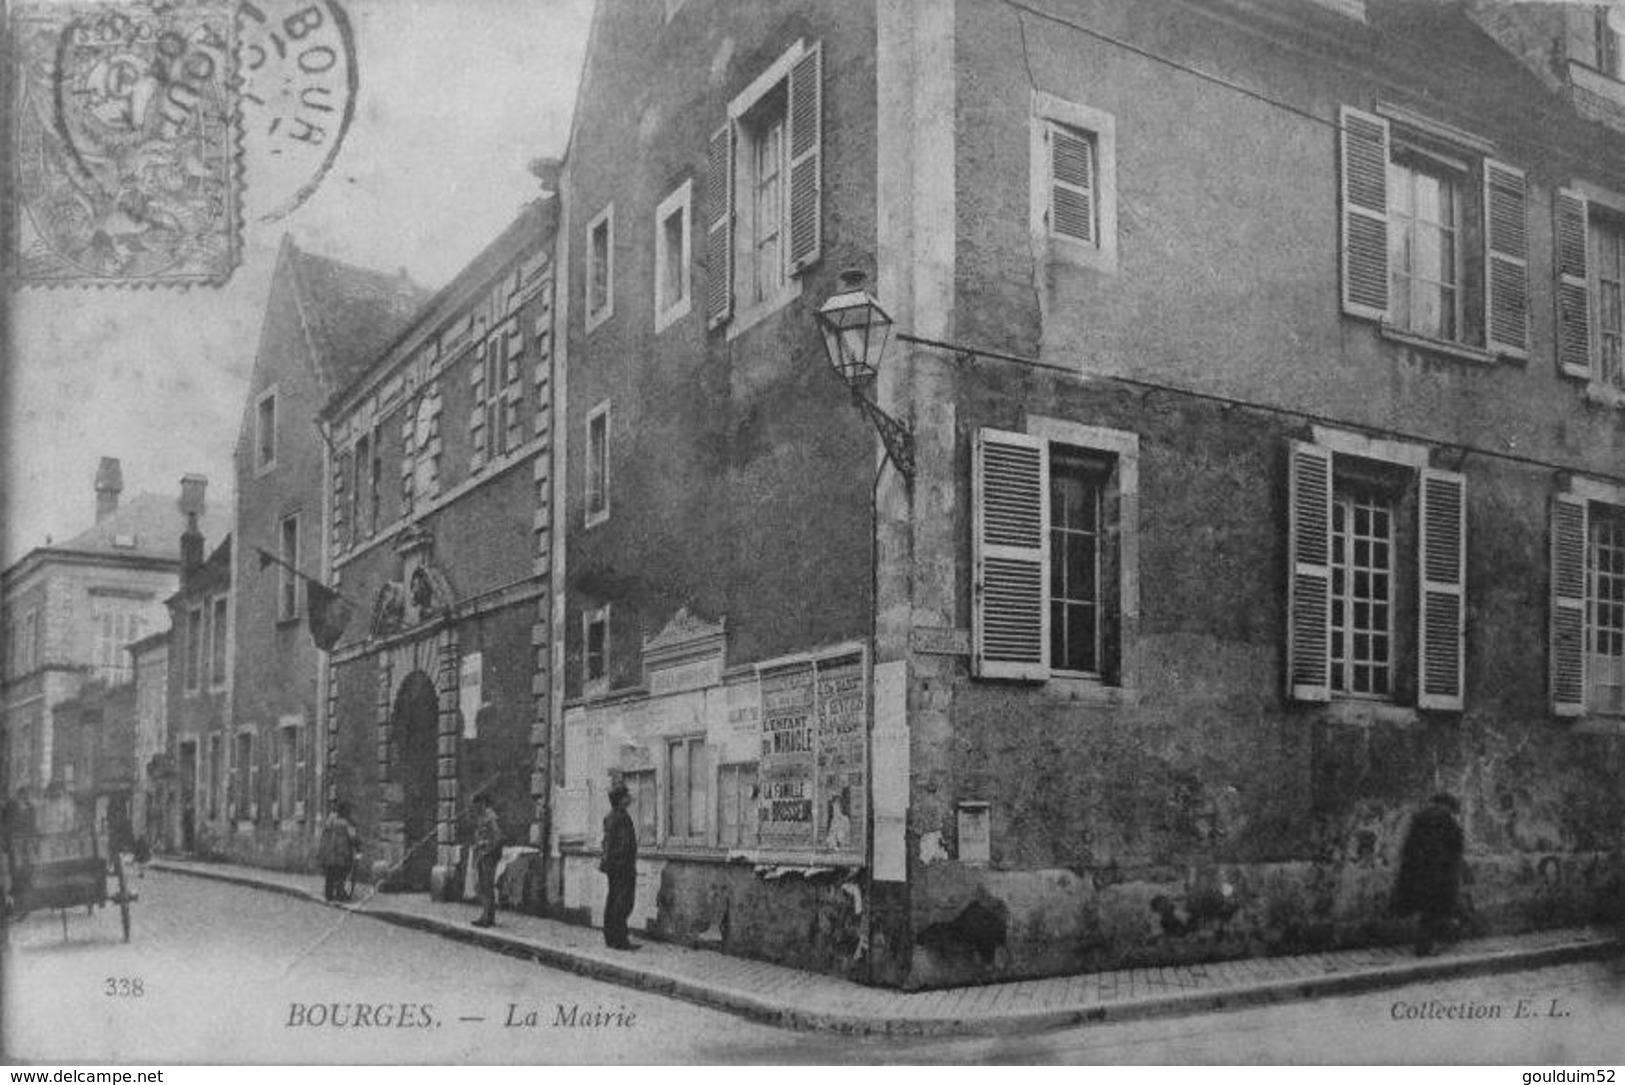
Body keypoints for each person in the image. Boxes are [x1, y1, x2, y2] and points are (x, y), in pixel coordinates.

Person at [1391, 792, 1466, 957]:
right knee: (1434, 912)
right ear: (1448, 805)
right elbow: (1455, 849)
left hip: (1417, 874)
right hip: (1439, 875)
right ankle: (1424, 948)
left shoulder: (1418, 818)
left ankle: (1435, 941)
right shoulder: (1448, 821)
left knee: (1429, 911)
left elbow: (1407, 848)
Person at [600, 781, 639, 950]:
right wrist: (627, 863)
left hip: (613, 867)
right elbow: (624, 845)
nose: (630, 798)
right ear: (621, 799)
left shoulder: (609, 816)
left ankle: (611, 938)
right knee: (623, 903)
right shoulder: (622, 817)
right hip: (623, 867)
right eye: (626, 795)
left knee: (613, 900)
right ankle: (621, 941)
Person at [318, 801, 362, 903]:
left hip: (330, 854)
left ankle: (329, 894)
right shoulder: (347, 824)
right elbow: (353, 838)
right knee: (341, 874)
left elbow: (324, 834)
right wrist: (359, 848)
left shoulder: (331, 822)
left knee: (330, 874)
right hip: (342, 854)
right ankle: (340, 894)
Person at [470, 792, 502, 928]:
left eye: (476, 804)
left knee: (486, 886)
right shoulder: (482, 816)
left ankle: (487, 918)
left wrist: (487, 849)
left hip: (488, 855)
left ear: (482, 803)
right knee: (483, 886)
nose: (475, 808)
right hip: (483, 854)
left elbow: (497, 836)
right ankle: (486, 916)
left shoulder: (490, 816)